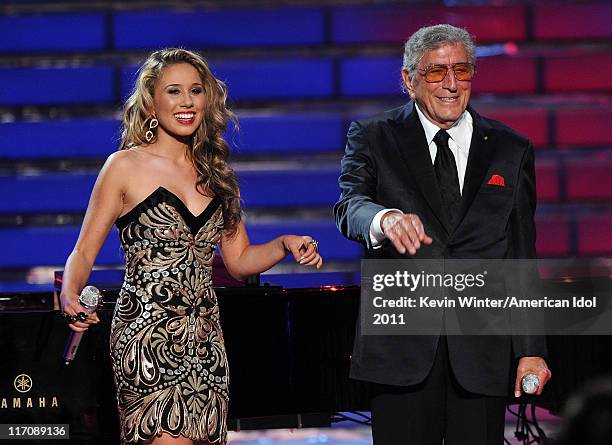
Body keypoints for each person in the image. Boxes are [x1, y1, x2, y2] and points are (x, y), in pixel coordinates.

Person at [60, 48, 323, 445]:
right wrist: (69, 292)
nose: (186, 102)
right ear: (151, 102)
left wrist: (285, 244)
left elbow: (239, 263)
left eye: (196, 91)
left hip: (207, 340)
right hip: (147, 335)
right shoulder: (123, 166)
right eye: (174, 91)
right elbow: (83, 252)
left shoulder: (216, 174)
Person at [334, 24, 551, 444]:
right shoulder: (375, 136)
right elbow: (349, 207)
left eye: (462, 70)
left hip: (482, 356)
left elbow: (522, 256)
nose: (451, 85)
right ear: (408, 79)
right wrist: (384, 219)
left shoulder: (511, 148)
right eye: (436, 72)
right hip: (402, 353)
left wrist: (531, 349)